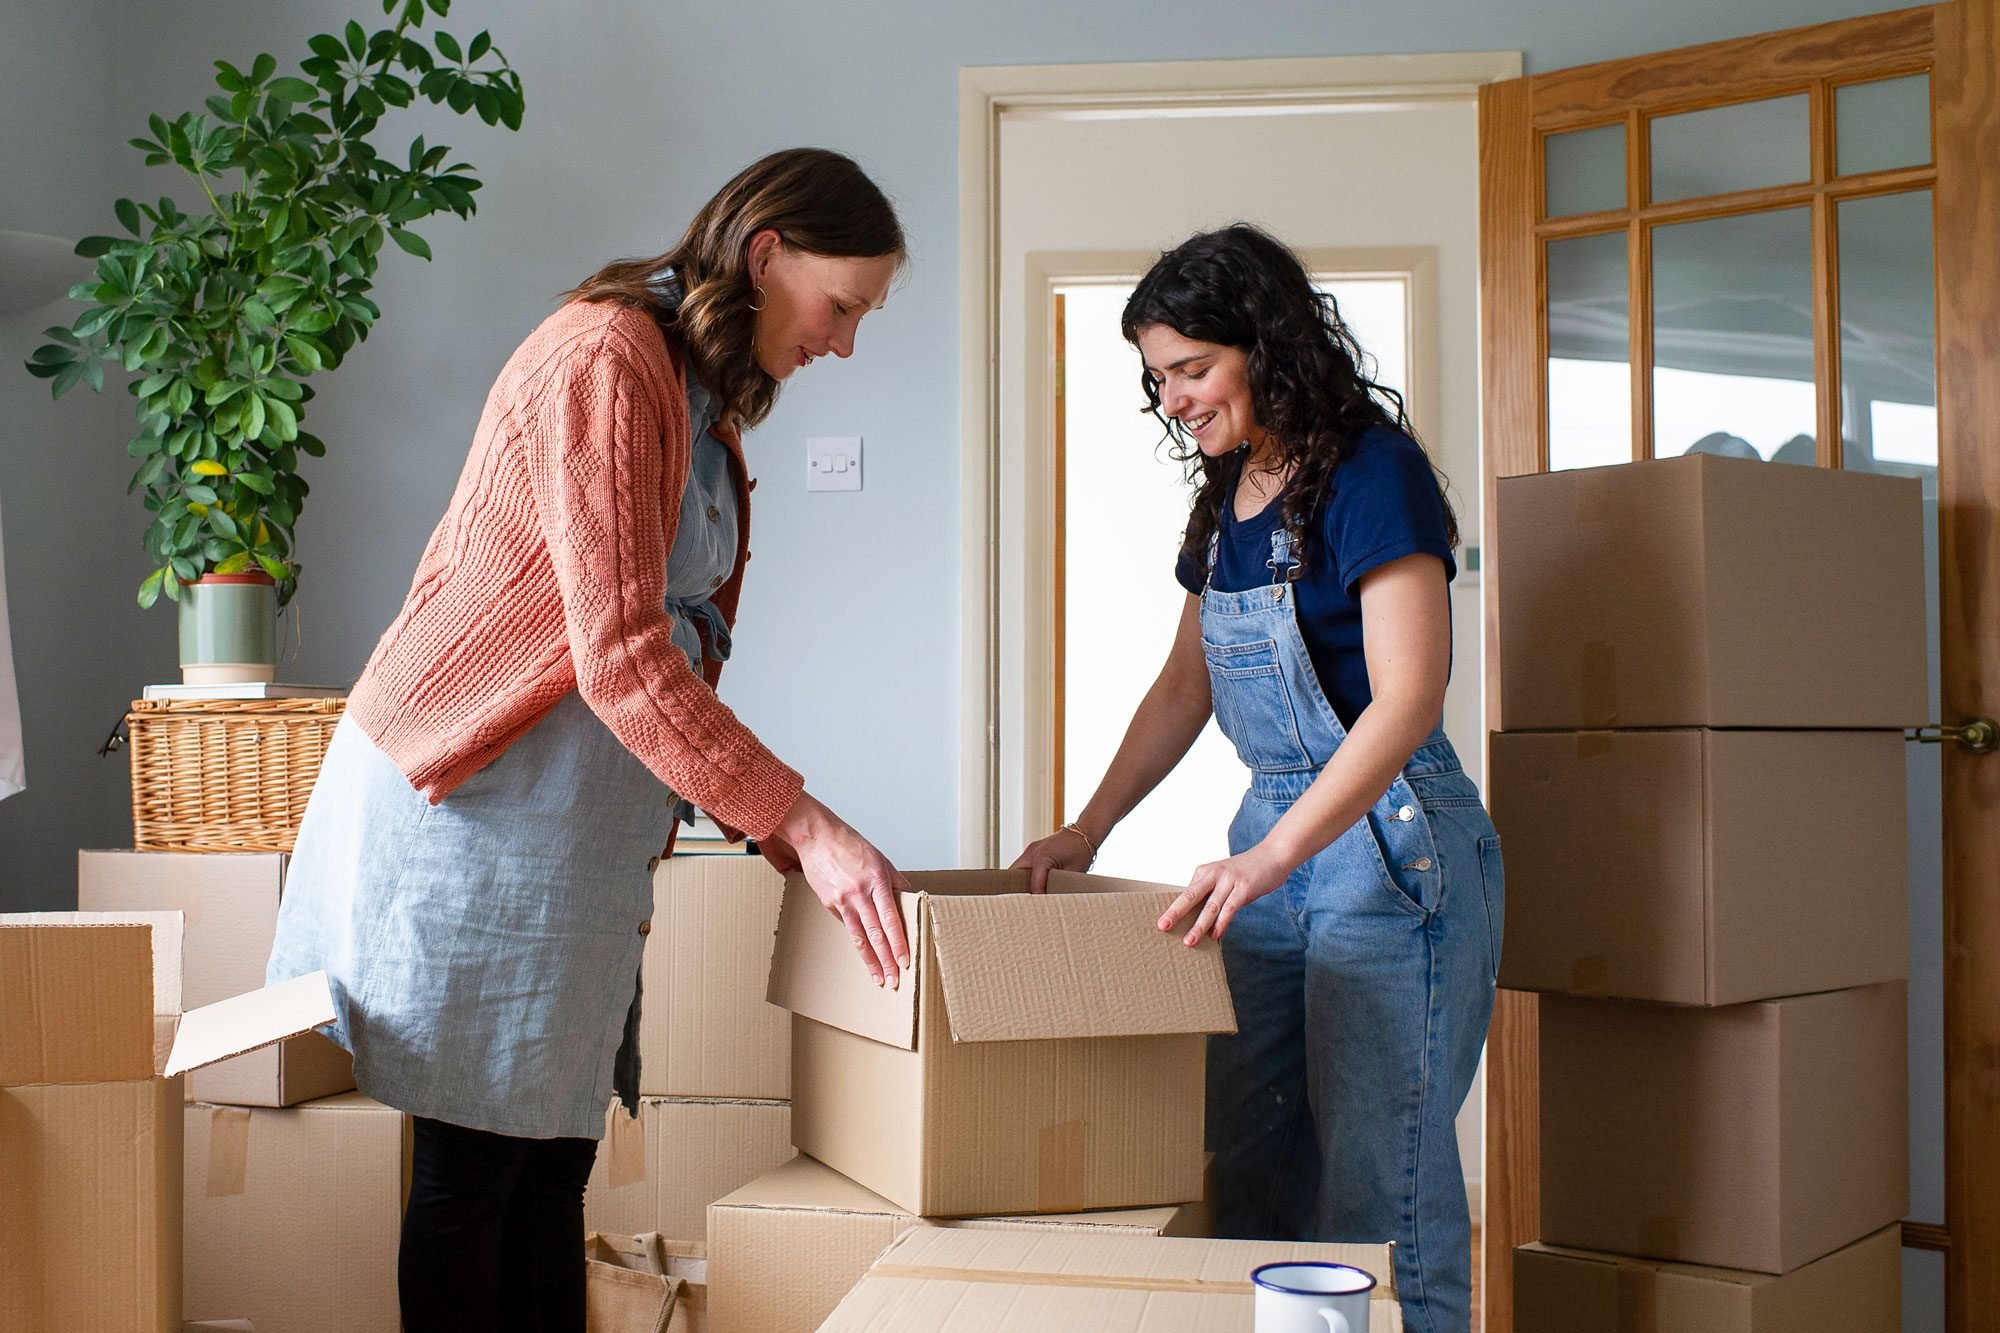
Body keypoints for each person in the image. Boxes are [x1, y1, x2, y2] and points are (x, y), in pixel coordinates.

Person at [266, 148, 913, 1333]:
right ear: (767, 254)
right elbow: (618, 653)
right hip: (473, 803)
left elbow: (661, 644)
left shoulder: (696, 391)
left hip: (566, 828)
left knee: (549, 1168)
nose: (843, 342)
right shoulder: (606, 358)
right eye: (842, 306)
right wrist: (801, 826)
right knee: (477, 1174)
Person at [1013, 224, 1503, 1333]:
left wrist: (1273, 854)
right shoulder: (1228, 492)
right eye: (1157, 377)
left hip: (1392, 847)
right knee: (1250, 1170)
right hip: (1272, 850)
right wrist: (1085, 828)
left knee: (1381, 1192)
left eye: (1192, 368)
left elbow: (1408, 697)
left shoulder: (1374, 472)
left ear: (1266, 344)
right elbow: (1183, 686)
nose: (1174, 398)